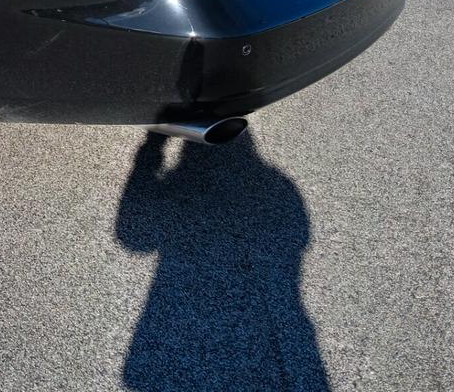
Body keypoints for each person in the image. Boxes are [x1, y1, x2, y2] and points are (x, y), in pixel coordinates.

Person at [115, 130, 330, 392]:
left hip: (181, 319)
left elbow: (134, 236)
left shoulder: (277, 183)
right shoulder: (277, 183)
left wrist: (152, 147)